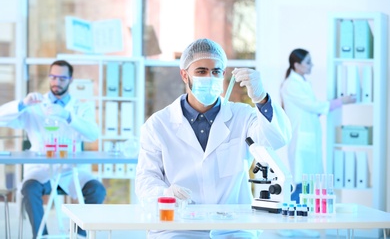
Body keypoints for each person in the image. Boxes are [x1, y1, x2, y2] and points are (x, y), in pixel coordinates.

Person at [135, 38, 292, 239]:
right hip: (177, 227)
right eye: (201, 71)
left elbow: (276, 139)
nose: (209, 77)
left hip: (233, 228)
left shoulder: (242, 116)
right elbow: (146, 179)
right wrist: (165, 195)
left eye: (216, 72)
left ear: (224, 74)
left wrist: (262, 99)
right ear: (185, 75)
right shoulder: (158, 124)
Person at [0, 60, 106, 238]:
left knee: (97, 190)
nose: (57, 82)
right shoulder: (35, 106)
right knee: (29, 188)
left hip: (71, 171)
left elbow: (92, 134)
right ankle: (41, 235)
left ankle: (80, 234)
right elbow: (1, 118)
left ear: (70, 79)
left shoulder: (79, 108)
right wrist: (23, 104)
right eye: (53, 77)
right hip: (42, 171)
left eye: (62, 78)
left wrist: (68, 116)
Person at [280, 48, 356, 203]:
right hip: (300, 140)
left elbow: (314, 109)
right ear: (297, 65)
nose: (311, 65)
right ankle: (289, 223)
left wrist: (331, 105)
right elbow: (314, 106)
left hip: (308, 138)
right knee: (301, 184)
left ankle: (297, 221)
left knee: (308, 184)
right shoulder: (291, 85)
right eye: (308, 62)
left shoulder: (303, 83)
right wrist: (341, 101)